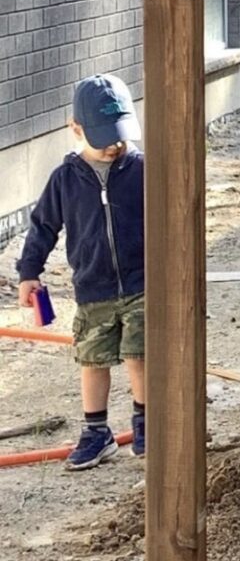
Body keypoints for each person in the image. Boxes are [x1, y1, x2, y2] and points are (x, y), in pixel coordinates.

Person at [16, 74, 146, 470]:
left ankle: (146, 422)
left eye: (120, 135)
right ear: (76, 129)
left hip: (143, 283)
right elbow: (42, 227)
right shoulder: (65, 179)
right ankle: (97, 432)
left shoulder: (141, 168)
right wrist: (29, 272)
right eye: (105, 136)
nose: (114, 144)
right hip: (93, 287)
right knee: (93, 360)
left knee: (139, 356)